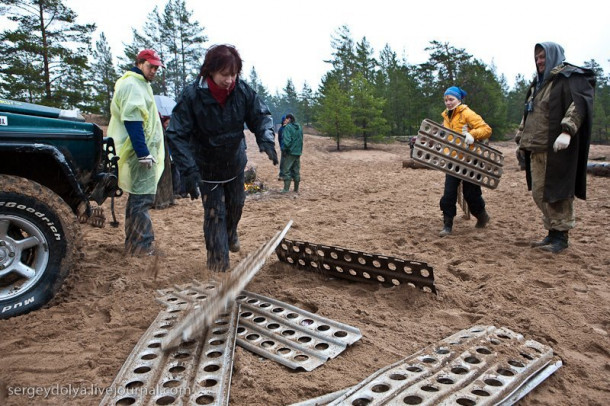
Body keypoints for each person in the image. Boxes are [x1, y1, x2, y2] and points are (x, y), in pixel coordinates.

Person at [166, 44, 278, 272]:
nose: (229, 80)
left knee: (236, 206)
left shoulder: (242, 91)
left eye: (234, 74)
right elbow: (176, 135)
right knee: (215, 214)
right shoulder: (192, 96)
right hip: (205, 170)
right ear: (210, 72)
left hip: (234, 164)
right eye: (224, 75)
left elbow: (260, 116)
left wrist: (265, 138)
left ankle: (231, 232)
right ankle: (219, 268)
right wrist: (188, 170)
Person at [516, 42, 595, 253]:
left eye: (543, 57)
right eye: (537, 58)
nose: (539, 61)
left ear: (553, 56)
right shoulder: (538, 84)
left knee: (558, 192)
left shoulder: (570, 77)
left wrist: (567, 131)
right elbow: (530, 112)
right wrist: (521, 136)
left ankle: (561, 236)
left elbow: (578, 104)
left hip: (557, 149)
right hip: (537, 146)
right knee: (540, 194)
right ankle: (552, 232)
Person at [108, 49, 165, 256]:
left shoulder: (140, 84)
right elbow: (133, 120)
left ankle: (136, 243)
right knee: (141, 200)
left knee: (138, 200)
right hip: (139, 153)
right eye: (151, 66)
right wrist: (142, 152)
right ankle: (141, 245)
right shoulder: (132, 84)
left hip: (143, 151)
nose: (154, 71)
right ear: (140, 63)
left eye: (157, 67)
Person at [438, 86, 492, 237]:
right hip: (453, 160)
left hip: (471, 161)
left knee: (471, 194)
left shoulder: (467, 113)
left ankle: (482, 216)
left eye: (451, 99)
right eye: (446, 100)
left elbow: (486, 129)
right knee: (448, 194)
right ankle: (447, 225)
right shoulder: (446, 117)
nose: (448, 102)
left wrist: (472, 134)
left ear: (458, 99)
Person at [280, 113, 303, 193]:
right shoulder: (299, 127)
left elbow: (287, 141)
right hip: (298, 152)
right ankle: (296, 189)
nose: (284, 121)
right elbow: (301, 139)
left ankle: (286, 189)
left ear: (289, 119)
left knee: (286, 170)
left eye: (286, 119)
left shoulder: (288, 127)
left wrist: (285, 150)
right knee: (296, 170)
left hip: (290, 152)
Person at [277, 115, 287, 180]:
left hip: (290, 148)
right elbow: (279, 139)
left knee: (289, 161)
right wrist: (281, 146)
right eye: (285, 120)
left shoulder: (290, 128)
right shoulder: (281, 129)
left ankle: (289, 175)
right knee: (283, 161)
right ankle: (281, 174)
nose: (286, 121)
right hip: (284, 147)